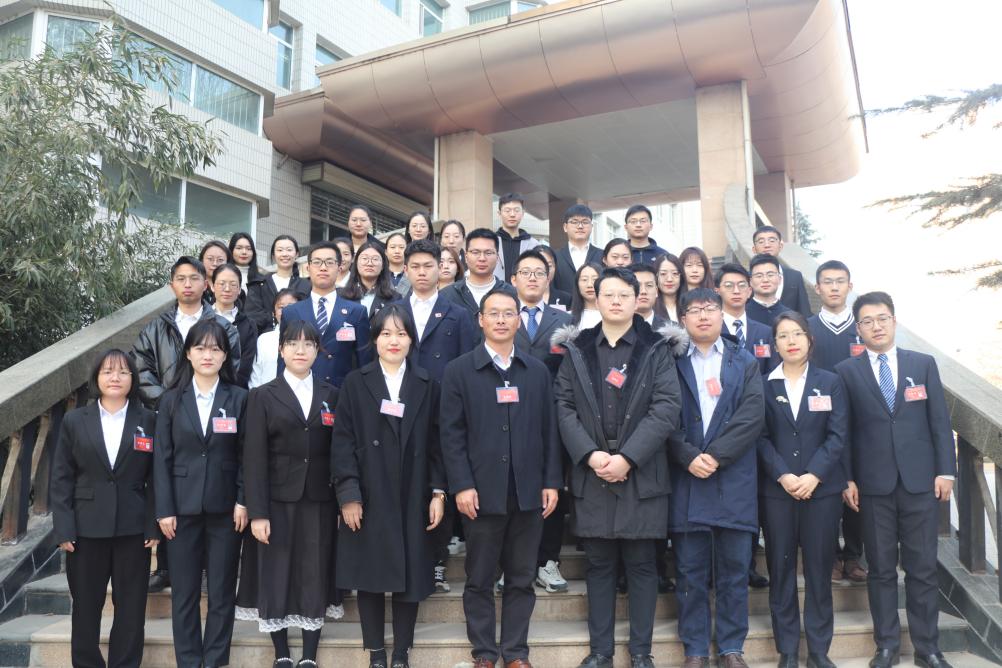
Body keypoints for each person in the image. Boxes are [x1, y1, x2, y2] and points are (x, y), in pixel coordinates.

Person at [552, 267, 683, 668]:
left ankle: (641, 652)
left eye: (624, 295)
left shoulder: (656, 348)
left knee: (642, 565)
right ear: (595, 297)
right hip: (592, 471)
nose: (615, 301)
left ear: (637, 298)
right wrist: (590, 455)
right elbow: (563, 406)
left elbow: (666, 408)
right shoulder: (578, 348)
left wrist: (628, 457)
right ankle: (601, 652)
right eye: (608, 294)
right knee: (599, 566)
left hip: (641, 472)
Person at [440, 288, 562, 668]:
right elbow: (451, 435)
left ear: (518, 320)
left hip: (528, 492)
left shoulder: (536, 371)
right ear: (480, 320)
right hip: (480, 492)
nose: (501, 320)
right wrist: (461, 485)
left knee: (522, 577)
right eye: (493, 313)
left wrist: (551, 481)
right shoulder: (459, 371)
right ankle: (484, 652)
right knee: (479, 577)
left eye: (509, 313)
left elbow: (550, 431)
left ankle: (515, 652)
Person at [836, 292, 956, 668]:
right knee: (882, 570)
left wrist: (946, 470)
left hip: (921, 483)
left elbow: (939, 422)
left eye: (882, 318)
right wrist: (848, 478)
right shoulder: (846, 371)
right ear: (858, 328)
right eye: (867, 321)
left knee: (922, 568)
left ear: (894, 321)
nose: (876, 326)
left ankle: (928, 648)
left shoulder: (922, 364)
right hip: (873, 486)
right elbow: (844, 432)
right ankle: (886, 645)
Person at [332, 305, 447, 668]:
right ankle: (376, 652)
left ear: (412, 339)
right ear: (374, 340)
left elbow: (437, 443)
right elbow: (342, 442)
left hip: (413, 491)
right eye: (385, 334)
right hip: (369, 492)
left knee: (409, 574)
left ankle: (400, 652)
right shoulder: (356, 382)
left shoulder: (427, 384)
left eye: (401, 333)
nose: (393, 341)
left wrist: (438, 492)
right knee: (369, 574)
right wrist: (348, 495)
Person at [667, 288, 764, 668]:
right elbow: (660, 414)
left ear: (723, 314)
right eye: (694, 310)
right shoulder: (669, 360)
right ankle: (694, 649)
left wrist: (716, 456)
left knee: (734, 570)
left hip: (733, 477)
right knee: (689, 571)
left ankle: (730, 647)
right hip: (687, 477)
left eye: (710, 308)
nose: (703, 315)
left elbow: (752, 415)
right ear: (683, 319)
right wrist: (688, 455)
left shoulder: (744, 360)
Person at [132, 256, 241, 593]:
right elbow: (141, 370)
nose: (188, 284)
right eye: (181, 278)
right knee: (172, 482)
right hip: (167, 413)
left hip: (212, 411)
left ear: (205, 283)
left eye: (194, 278)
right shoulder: (155, 327)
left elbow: (233, 365)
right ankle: (167, 566)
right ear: (172, 285)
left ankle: (206, 568)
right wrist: (173, 402)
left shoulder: (223, 326)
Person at [236, 321, 340, 668]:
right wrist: (257, 512)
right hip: (276, 499)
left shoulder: (331, 394)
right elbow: (253, 457)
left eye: (308, 344)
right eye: (293, 343)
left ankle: (309, 654)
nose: (300, 350)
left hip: (320, 498)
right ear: (281, 350)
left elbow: (338, 450)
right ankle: (281, 651)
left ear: (317, 351)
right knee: (275, 571)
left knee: (315, 570)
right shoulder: (262, 395)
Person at [51, 349, 159, 668]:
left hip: (133, 528)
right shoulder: (74, 421)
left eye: (123, 372)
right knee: (86, 606)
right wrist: (64, 528)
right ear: (96, 377)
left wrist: (152, 524)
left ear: (132, 379)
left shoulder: (148, 420)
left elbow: (156, 478)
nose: (115, 378)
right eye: (108, 371)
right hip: (85, 529)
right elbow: (61, 478)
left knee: (131, 607)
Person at [154, 319, 248, 668]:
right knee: (184, 593)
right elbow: (162, 459)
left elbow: (247, 455)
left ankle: (215, 660)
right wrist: (164, 509)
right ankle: (190, 661)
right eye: (200, 348)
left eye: (215, 348)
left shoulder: (240, 398)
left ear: (225, 356)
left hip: (226, 510)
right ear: (188, 354)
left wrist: (243, 500)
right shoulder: (171, 400)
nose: (208, 355)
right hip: (181, 509)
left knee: (222, 591)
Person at [759, 312, 847, 668]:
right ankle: (788, 651)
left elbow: (838, 435)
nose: (791, 341)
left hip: (821, 493)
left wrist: (814, 475)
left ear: (810, 340)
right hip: (777, 493)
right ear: (775, 344)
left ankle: (819, 651)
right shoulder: (763, 385)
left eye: (797, 334)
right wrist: (783, 475)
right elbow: (759, 437)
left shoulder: (830, 382)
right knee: (780, 572)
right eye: (783, 336)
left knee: (818, 571)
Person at [399, 239, 477, 593]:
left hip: (443, 409)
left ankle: (437, 562)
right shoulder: (394, 310)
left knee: (439, 484)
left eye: (428, 266)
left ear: (440, 268)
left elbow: (466, 365)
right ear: (405, 269)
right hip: (400, 408)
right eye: (415, 266)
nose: (422, 272)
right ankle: (405, 557)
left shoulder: (457, 314)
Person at [511, 250, 573, 593]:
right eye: (526, 272)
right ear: (514, 279)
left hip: (553, 418)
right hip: (508, 415)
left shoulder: (564, 320)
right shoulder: (502, 314)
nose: (533, 278)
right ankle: (512, 563)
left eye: (539, 272)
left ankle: (548, 560)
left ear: (549, 278)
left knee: (552, 488)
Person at [806, 260, 866, 585]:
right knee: (826, 490)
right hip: (818, 419)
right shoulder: (807, 328)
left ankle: (853, 555)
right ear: (817, 288)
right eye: (827, 282)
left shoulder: (864, 327)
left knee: (859, 487)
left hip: (861, 420)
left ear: (849, 286)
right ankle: (829, 555)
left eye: (839, 281)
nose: (833, 287)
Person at [280, 242, 371, 387]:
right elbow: (283, 359)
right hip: (300, 390)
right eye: (317, 262)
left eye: (329, 262)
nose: (323, 267)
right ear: (308, 268)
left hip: (342, 392)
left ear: (339, 268)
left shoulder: (357, 312)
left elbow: (365, 362)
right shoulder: (291, 312)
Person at [439, 228, 517, 323]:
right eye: (475, 252)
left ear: (497, 258)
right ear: (466, 257)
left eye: (488, 253)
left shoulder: (511, 293)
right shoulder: (446, 295)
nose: (482, 258)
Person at [715, 263, 778, 375]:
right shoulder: (712, 330)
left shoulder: (765, 332)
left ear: (749, 291)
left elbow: (771, 372)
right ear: (717, 291)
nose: (736, 291)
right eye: (729, 286)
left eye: (742, 285)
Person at [246, 235, 310, 333]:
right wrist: (275, 318)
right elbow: (252, 315)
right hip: (265, 337)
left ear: (297, 254)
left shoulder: (306, 285)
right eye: (280, 250)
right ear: (273, 255)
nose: (285, 254)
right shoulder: (259, 284)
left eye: (289, 250)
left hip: (298, 336)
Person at [212, 263, 258, 389]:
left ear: (239, 290)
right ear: (212, 286)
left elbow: (245, 365)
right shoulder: (200, 318)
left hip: (234, 390)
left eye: (233, 285)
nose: (227, 289)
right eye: (222, 283)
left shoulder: (248, 324)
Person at [752, 226, 812, 317]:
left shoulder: (795, 276)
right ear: (754, 249)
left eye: (772, 240)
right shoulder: (745, 277)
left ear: (780, 246)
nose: (767, 245)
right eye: (761, 242)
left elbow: (804, 311)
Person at [250, 289, 302, 389]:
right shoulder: (264, 339)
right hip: (266, 394)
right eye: (281, 307)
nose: (286, 311)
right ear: (274, 313)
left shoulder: (308, 339)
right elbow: (256, 374)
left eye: (291, 306)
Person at [339, 242, 401, 319]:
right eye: (364, 258)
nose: (369, 263)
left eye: (375, 259)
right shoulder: (341, 295)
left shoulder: (395, 298)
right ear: (356, 263)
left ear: (382, 265)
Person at [552, 204, 602, 294]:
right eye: (574, 222)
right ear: (565, 227)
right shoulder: (554, 257)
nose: (580, 226)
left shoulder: (603, 255)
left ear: (591, 227)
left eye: (585, 222)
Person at [494, 193, 540, 283]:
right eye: (507, 210)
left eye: (516, 210)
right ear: (499, 213)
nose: (512, 214)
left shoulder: (533, 245)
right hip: (496, 290)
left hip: (524, 290)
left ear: (522, 213)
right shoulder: (491, 242)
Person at [746, 254, 792, 327]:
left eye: (770, 275)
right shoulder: (741, 314)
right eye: (759, 276)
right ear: (750, 281)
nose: (765, 280)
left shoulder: (790, 316)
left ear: (780, 279)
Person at [229, 232, 266, 300]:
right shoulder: (221, 275)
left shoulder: (262, 280)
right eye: (239, 248)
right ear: (231, 250)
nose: (244, 252)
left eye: (248, 249)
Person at [535, 245, 572, 310]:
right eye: (540, 265)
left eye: (549, 266)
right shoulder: (520, 297)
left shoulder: (566, 298)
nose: (545, 270)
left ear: (555, 267)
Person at [198, 240, 233, 305]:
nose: (215, 263)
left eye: (220, 260)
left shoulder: (233, 289)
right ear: (202, 260)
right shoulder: (194, 286)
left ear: (227, 262)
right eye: (210, 259)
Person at [629, 263, 663, 328]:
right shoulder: (614, 328)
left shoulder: (672, 330)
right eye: (637, 286)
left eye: (649, 285)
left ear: (656, 291)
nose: (643, 291)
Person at [653, 254, 684, 323]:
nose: (669, 279)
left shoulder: (689, 305)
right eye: (663, 274)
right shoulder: (649, 308)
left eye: (675, 273)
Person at [571, 263, 602, 329]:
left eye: (595, 279)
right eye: (584, 280)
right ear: (577, 285)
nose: (589, 285)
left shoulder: (613, 316)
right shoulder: (567, 317)